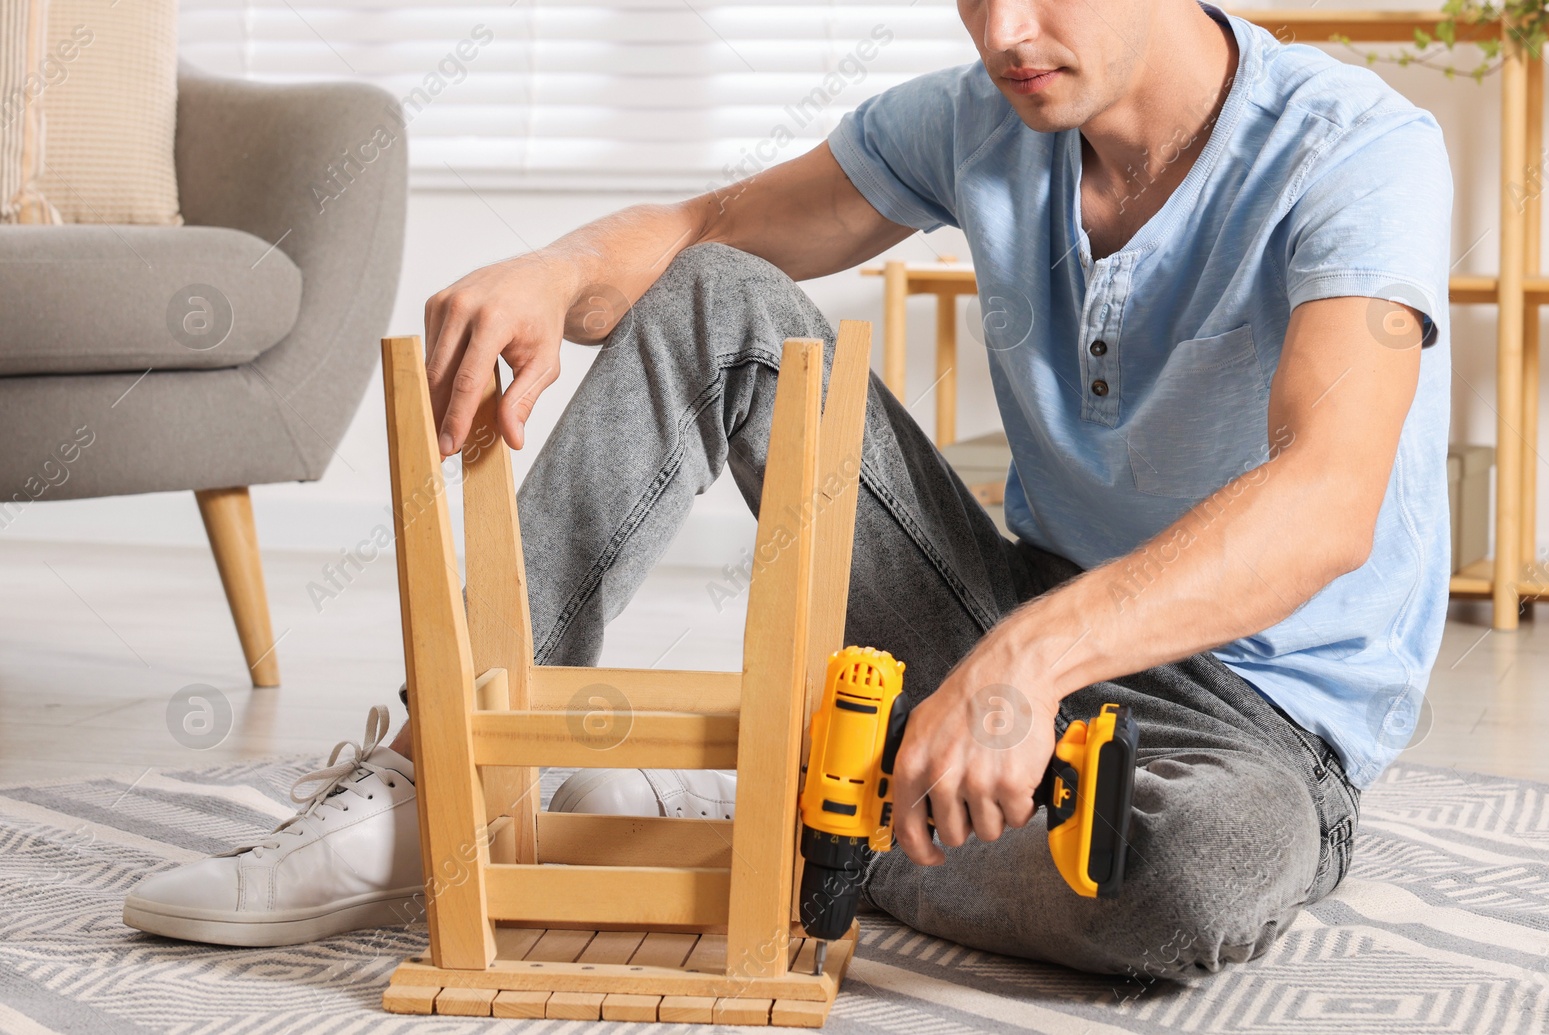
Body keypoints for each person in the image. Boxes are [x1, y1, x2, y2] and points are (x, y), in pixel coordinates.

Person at [125, 0, 1451, 980]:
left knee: (1181, 877)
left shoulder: (1354, 154)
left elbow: (1326, 495)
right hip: (1004, 613)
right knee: (718, 301)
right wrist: (555, 266)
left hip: (1250, 722)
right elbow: (706, 240)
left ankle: (757, 806)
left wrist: (1026, 666)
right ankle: (453, 772)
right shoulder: (978, 116)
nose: (1006, 31)